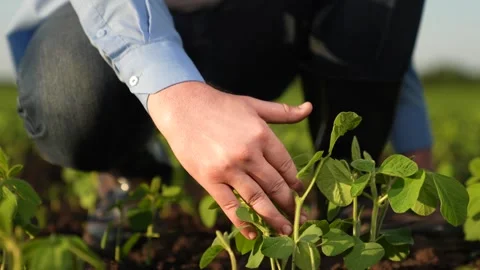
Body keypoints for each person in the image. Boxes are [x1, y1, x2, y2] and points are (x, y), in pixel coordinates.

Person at [6, 0, 428, 245]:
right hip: (106, 18)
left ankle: (345, 204)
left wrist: (413, 155)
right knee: (67, 97)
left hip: (255, 23)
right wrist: (176, 96)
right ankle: (130, 170)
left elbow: (378, 17)